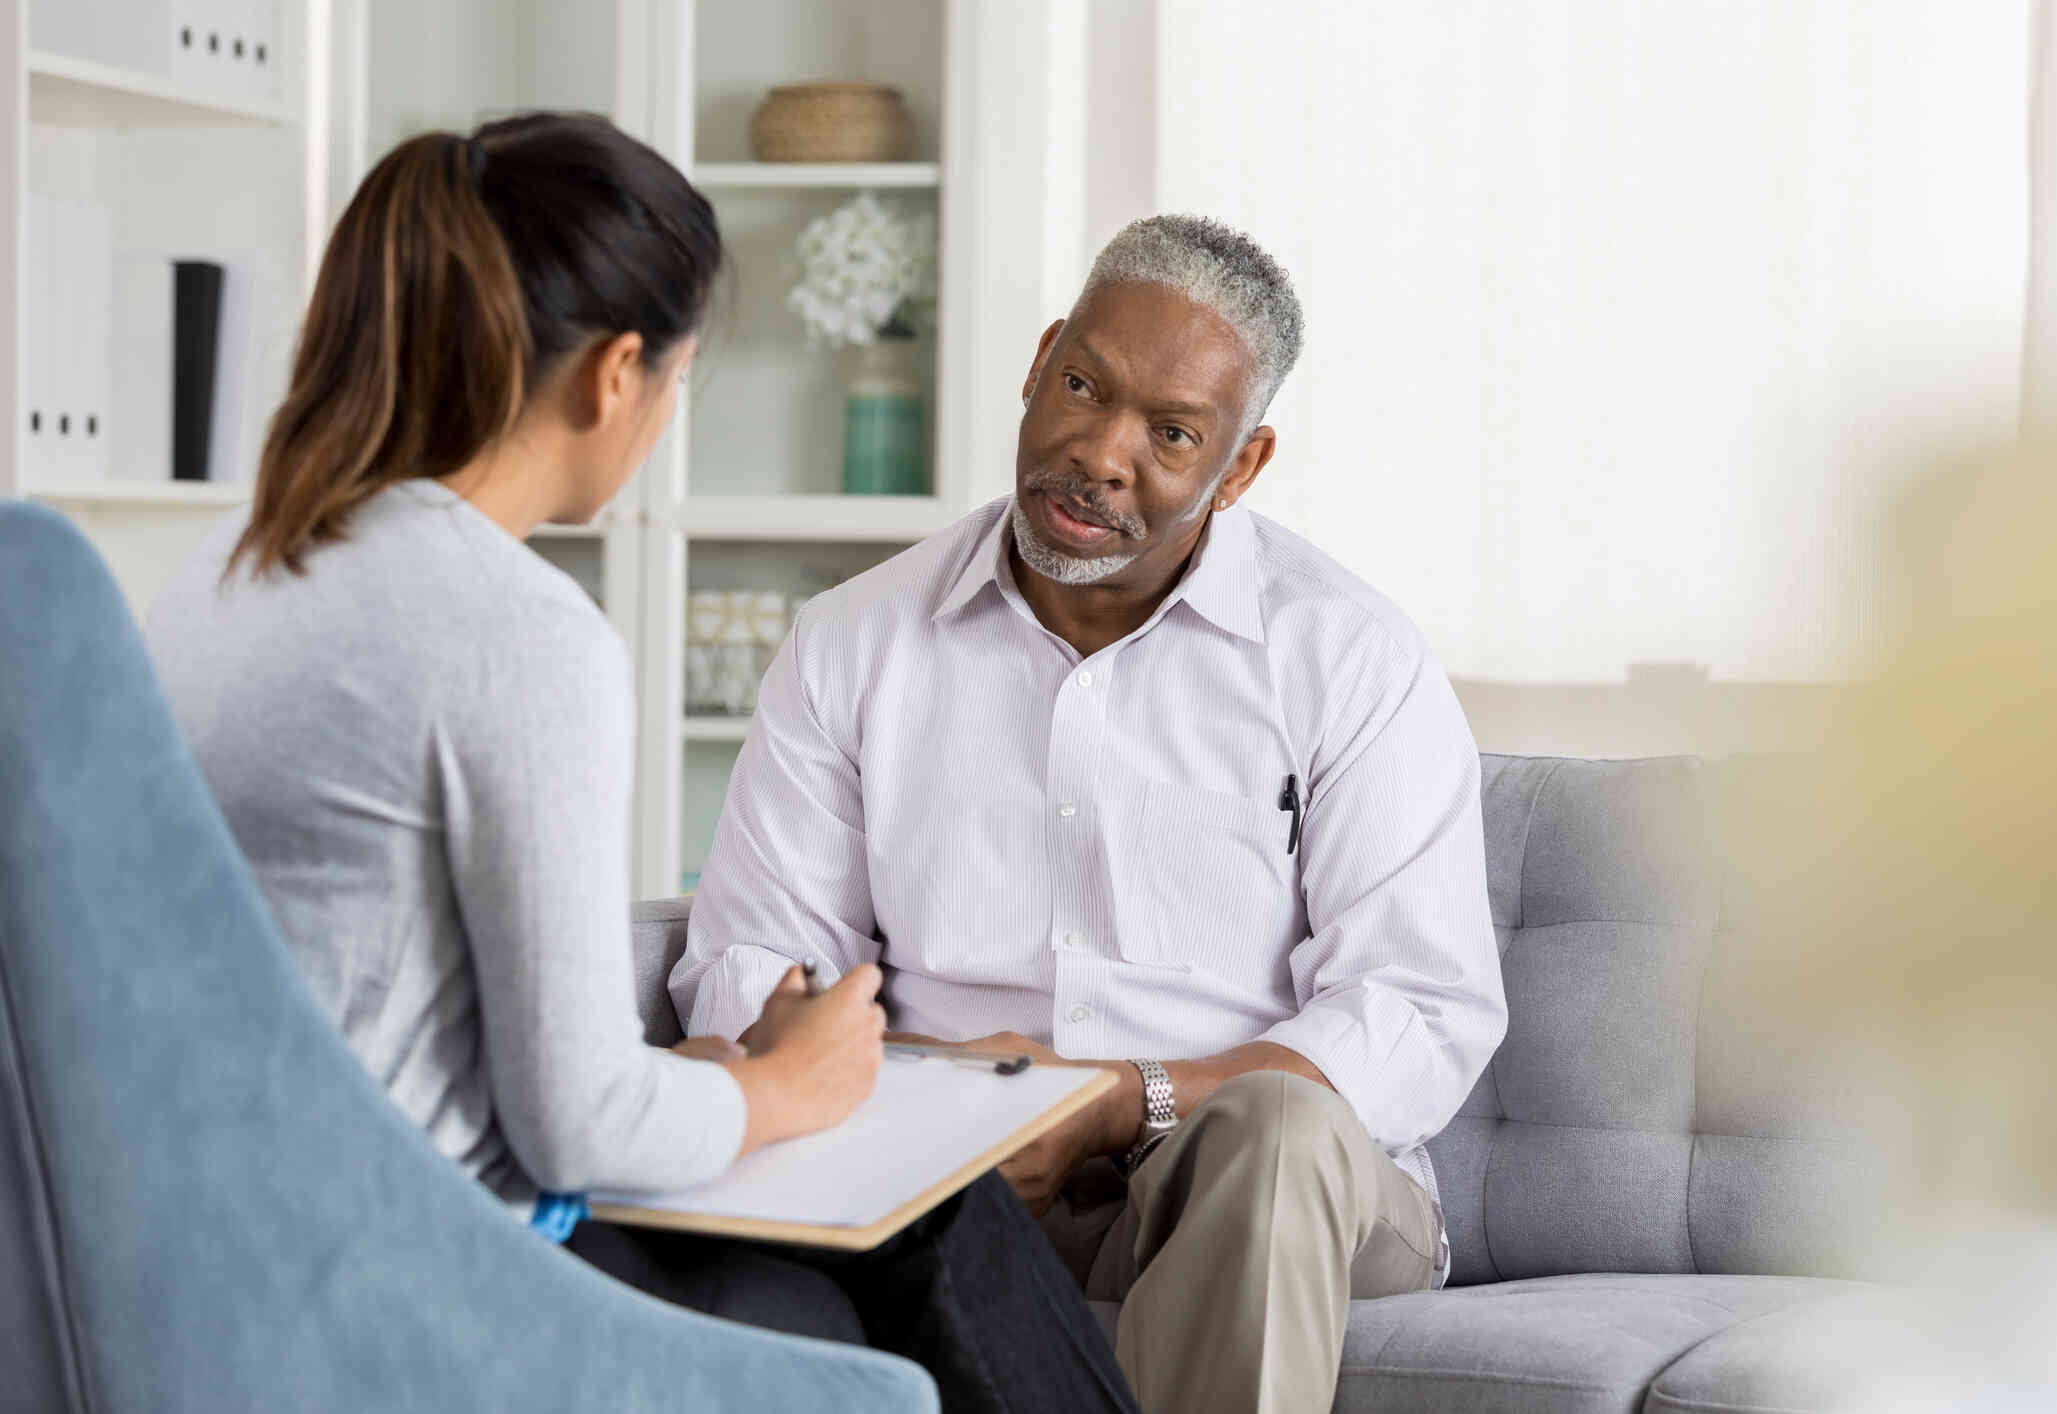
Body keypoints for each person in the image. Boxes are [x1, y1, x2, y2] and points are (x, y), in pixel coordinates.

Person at [145, 113, 1136, 1414]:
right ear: (615, 374)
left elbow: (414, 1027)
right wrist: (790, 1083)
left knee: (860, 1254)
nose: (666, 414)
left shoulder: (223, 575)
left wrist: (734, 1080)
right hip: (416, 1275)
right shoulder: (513, 628)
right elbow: (575, 1129)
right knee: (921, 1221)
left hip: (235, 1242)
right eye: (678, 382)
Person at [671, 213, 1509, 1414]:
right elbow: (755, 955)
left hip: (1262, 1174)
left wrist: (1122, 1096)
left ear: (1243, 464)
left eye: (1171, 434)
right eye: (1083, 386)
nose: (1102, 454)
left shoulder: (1348, 657)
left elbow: (1417, 1014)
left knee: (1276, 1136)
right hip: (955, 1171)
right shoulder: (853, 641)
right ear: (1039, 360)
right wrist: (920, 1098)